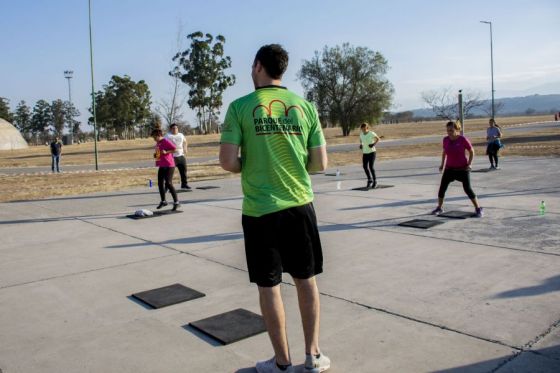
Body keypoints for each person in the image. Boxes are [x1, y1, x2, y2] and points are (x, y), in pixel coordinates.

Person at [219, 44, 330, 373]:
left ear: (257, 67)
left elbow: (227, 161)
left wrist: (249, 165)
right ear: (282, 70)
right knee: (305, 280)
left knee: (269, 286)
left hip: (259, 211)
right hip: (299, 205)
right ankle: (313, 356)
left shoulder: (240, 107)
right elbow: (320, 163)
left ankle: (282, 363)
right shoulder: (305, 107)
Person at [431, 121, 483, 218]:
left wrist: (470, 164)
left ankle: (478, 208)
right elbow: (444, 153)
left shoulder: (463, 139)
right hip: (449, 169)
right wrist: (442, 165)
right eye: (447, 130)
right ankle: (439, 207)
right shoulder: (445, 140)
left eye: (451, 130)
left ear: (457, 130)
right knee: (442, 189)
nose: (449, 132)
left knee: (468, 189)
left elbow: (471, 151)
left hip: (462, 169)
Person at [151, 128, 180, 211]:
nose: (153, 139)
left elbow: (175, 149)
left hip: (169, 165)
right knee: (160, 183)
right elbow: (159, 154)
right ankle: (163, 201)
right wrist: (156, 155)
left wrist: (166, 152)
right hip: (162, 165)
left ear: (159, 135)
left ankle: (176, 202)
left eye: (154, 137)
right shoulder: (157, 143)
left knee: (168, 183)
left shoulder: (165, 141)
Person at [165, 123, 191, 189]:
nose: (175, 129)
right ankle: (167, 187)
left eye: (176, 128)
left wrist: (185, 148)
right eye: (173, 128)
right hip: (172, 157)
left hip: (181, 156)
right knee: (169, 173)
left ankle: (184, 184)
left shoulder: (181, 135)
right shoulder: (168, 136)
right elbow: (163, 145)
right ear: (170, 129)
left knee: (184, 171)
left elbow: (185, 142)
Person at [358, 122, 380, 189]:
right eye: (362, 129)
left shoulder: (371, 133)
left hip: (372, 152)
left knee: (371, 167)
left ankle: (375, 181)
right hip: (365, 152)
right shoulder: (361, 134)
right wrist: (361, 144)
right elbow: (361, 140)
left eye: (364, 129)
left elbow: (378, 138)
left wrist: (373, 144)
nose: (363, 130)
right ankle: (369, 180)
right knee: (365, 167)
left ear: (367, 128)